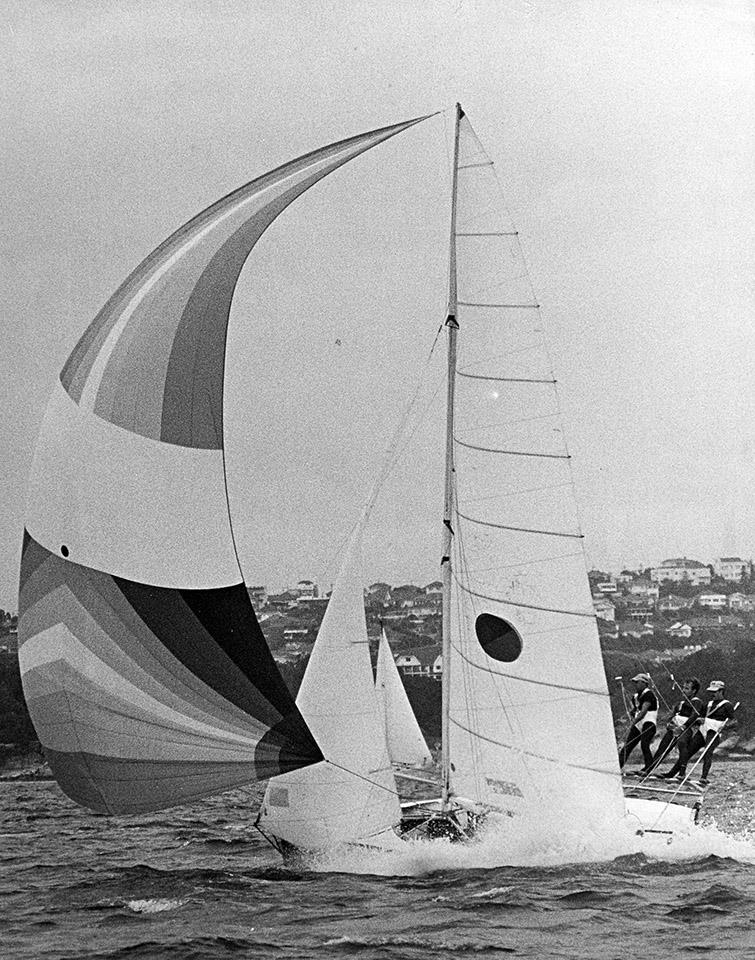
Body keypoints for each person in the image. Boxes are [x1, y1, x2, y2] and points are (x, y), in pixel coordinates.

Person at [660, 680, 737, 785]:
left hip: (714, 731)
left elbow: (734, 721)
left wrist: (724, 726)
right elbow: (700, 717)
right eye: (711, 692)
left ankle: (703, 777)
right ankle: (673, 773)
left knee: (707, 753)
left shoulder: (727, 705)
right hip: (703, 729)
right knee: (688, 751)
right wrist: (699, 720)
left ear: (721, 691)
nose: (712, 694)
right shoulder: (708, 704)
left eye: (714, 692)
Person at [647, 677, 702, 775]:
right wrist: (669, 724)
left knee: (682, 745)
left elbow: (695, 715)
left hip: (687, 729)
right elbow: (672, 715)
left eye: (687, 689)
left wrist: (683, 727)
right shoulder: (680, 703)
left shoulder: (697, 702)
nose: (683, 690)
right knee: (663, 748)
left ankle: (680, 773)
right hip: (674, 728)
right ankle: (648, 770)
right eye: (683, 688)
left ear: (694, 691)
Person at [618, 673, 658, 773]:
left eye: (637, 682)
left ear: (644, 683)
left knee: (644, 744)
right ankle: (618, 766)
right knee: (628, 746)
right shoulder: (635, 697)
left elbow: (644, 711)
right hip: (639, 723)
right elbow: (636, 710)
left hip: (649, 722)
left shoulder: (649, 694)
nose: (635, 684)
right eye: (634, 682)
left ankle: (648, 768)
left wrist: (633, 722)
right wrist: (632, 713)